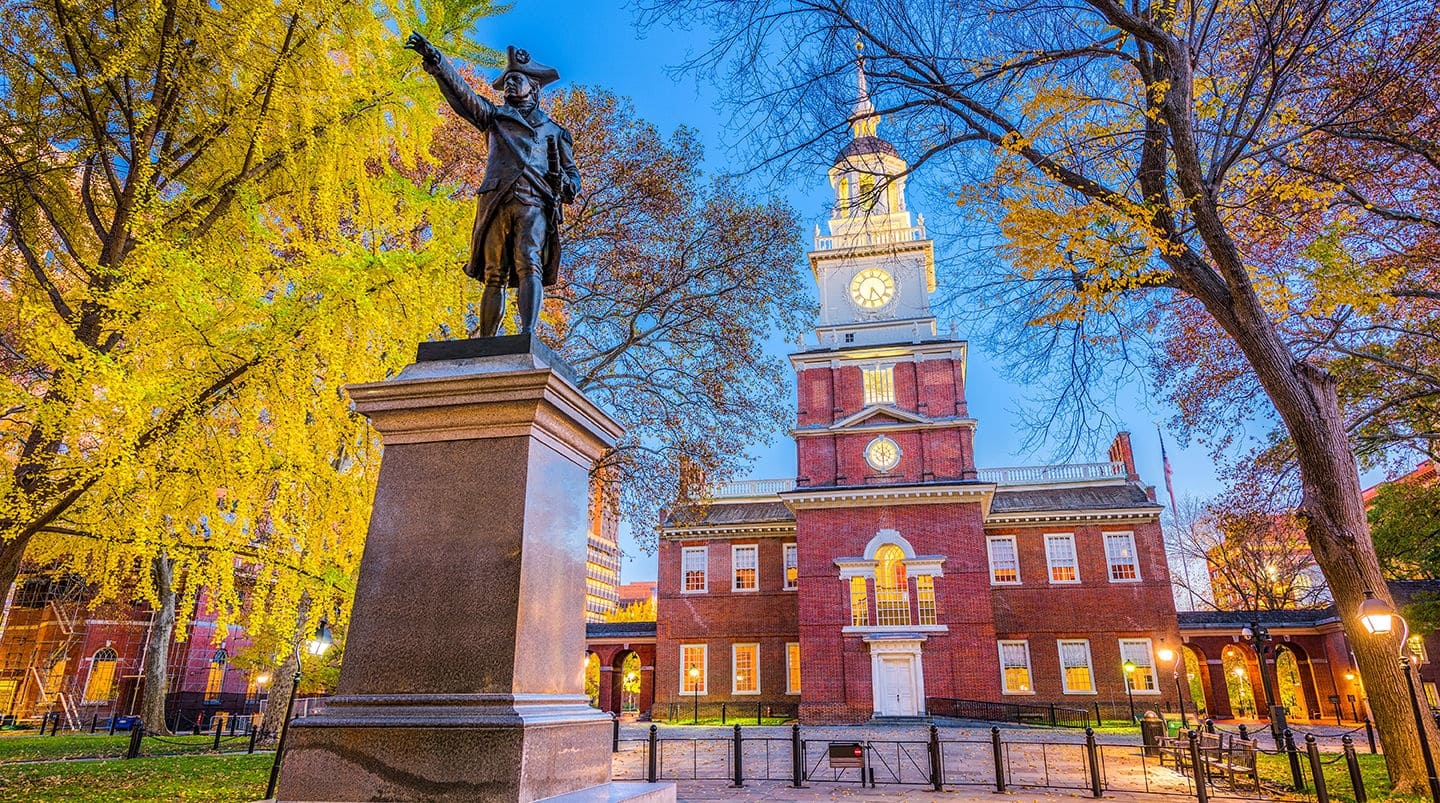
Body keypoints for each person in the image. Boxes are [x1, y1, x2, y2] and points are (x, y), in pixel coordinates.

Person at [405, 33, 580, 337]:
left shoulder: (555, 131)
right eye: (507, 79)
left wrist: (563, 182)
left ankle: (526, 334)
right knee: (493, 274)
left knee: (530, 263)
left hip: (534, 203)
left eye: (517, 78)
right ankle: (486, 341)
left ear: (534, 87)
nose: (510, 83)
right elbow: (464, 97)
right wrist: (436, 62)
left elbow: (573, 180)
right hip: (497, 200)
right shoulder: (494, 116)